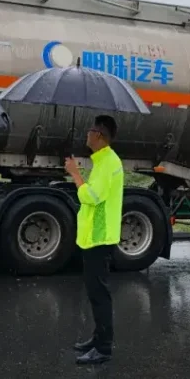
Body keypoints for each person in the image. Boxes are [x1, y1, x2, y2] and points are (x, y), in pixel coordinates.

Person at [66, 115, 124, 365]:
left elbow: (91, 196)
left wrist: (75, 174)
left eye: (90, 131)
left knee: (99, 295)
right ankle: (97, 337)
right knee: (95, 293)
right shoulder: (102, 161)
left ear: (99, 135)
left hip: (99, 239)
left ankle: (104, 348)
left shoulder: (108, 162)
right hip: (94, 237)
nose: (86, 135)